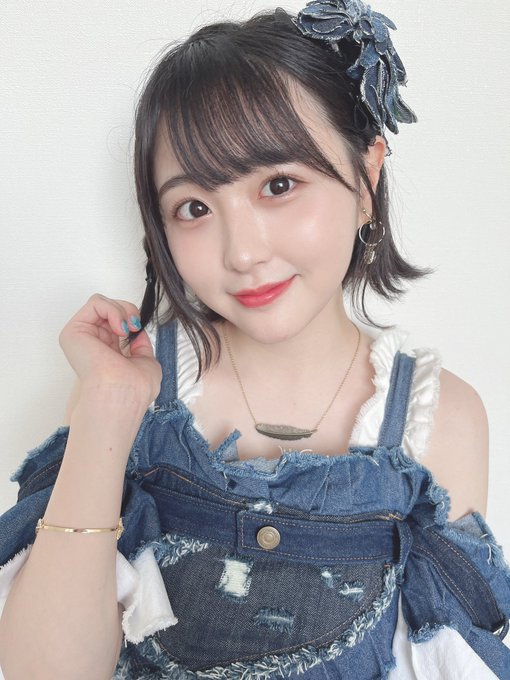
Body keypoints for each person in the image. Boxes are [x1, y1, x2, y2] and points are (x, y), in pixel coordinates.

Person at [0, 1, 509, 678]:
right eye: (194, 207)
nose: (242, 252)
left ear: (366, 178)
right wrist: (104, 408)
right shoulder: (131, 392)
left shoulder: (439, 419)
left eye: (279, 184)